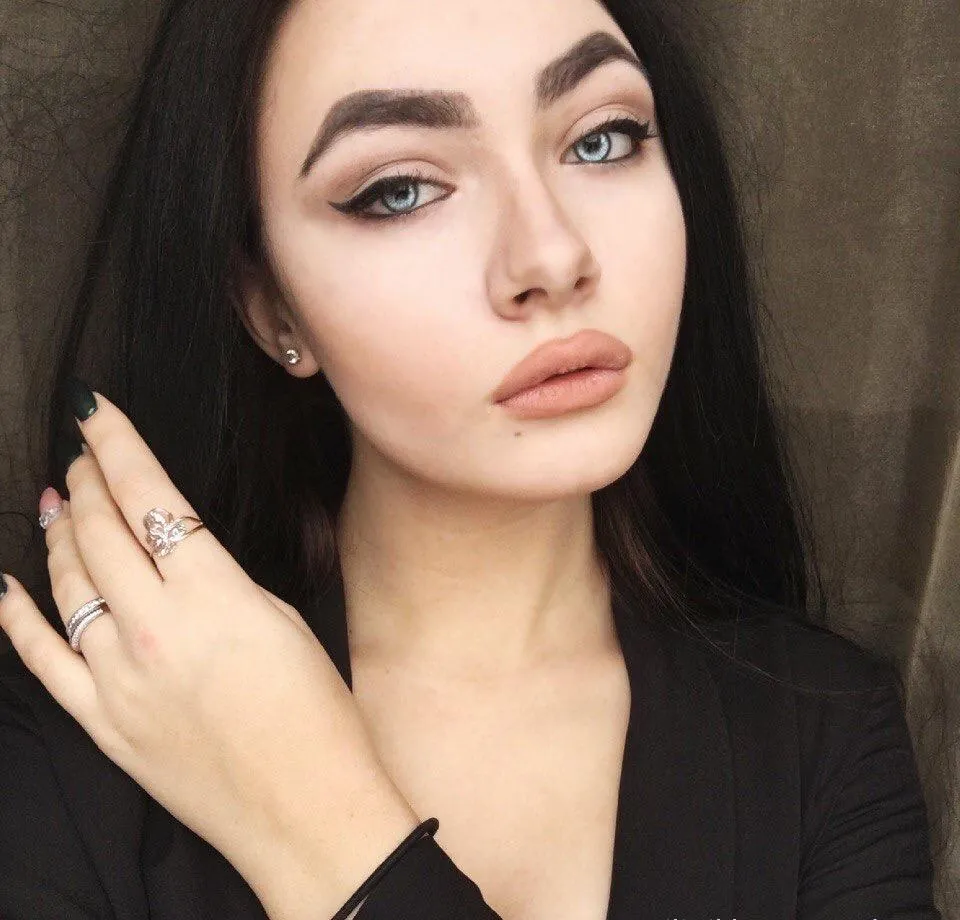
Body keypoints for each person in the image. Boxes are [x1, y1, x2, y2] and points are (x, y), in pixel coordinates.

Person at [0, 0, 942, 918]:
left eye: (602, 139)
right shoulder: (82, 726)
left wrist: (329, 838)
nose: (553, 257)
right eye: (401, 190)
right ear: (271, 308)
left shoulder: (822, 733)